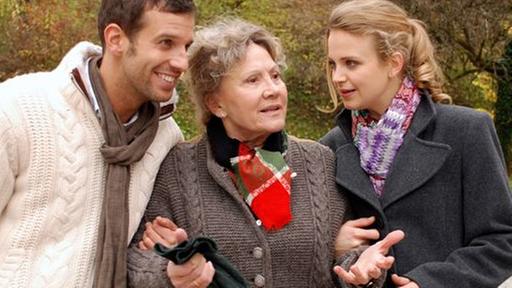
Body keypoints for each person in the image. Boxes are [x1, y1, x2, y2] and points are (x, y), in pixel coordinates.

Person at [126, 18, 402, 288]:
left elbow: (347, 255)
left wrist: (362, 268)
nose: (272, 90)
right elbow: (136, 264)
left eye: (275, 76)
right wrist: (170, 269)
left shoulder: (321, 162)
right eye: (252, 80)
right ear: (216, 103)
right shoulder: (176, 169)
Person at [0, 0, 195, 287]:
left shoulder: (166, 136)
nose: (182, 63)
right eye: (166, 43)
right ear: (116, 39)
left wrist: (162, 244)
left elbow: (142, 248)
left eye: (186, 46)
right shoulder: (18, 108)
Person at [320, 0, 512, 287]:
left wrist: (429, 283)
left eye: (351, 63)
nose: (337, 77)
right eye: (333, 64)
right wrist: (333, 246)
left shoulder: (466, 130)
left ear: (394, 63)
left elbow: (502, 242)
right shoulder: (330, 148)